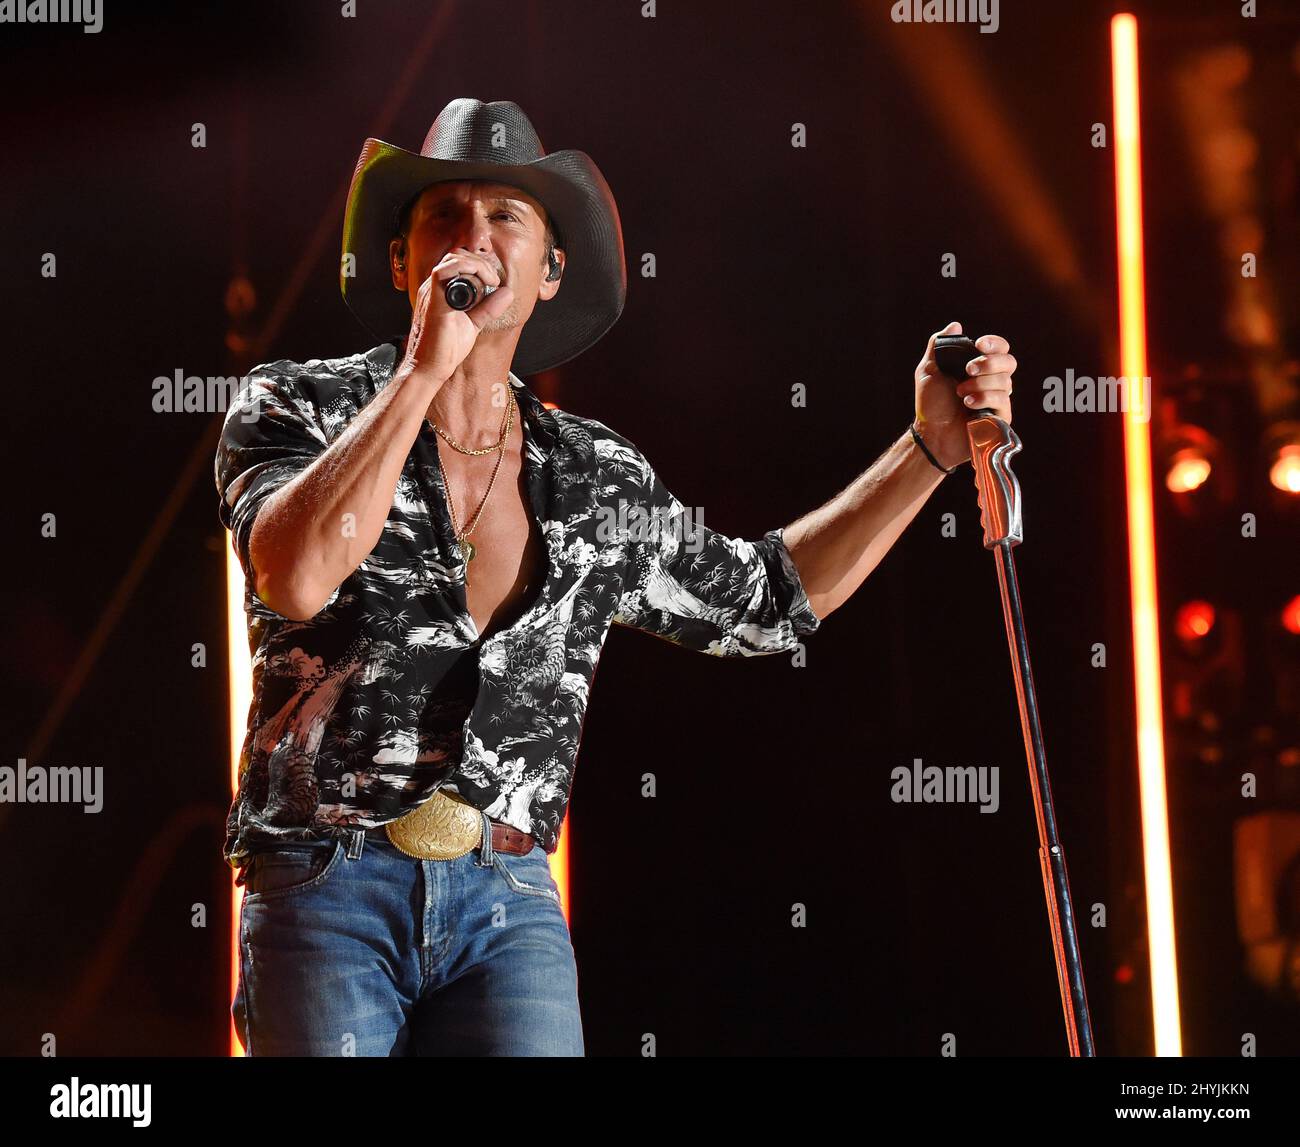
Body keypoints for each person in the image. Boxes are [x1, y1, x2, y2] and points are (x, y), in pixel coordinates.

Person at [218, 98, 1015, 1057]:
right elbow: (295, 574)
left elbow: (765, 602)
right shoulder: (298, 405)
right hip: (327, 880)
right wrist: (423, 373)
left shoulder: (594, 475)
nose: (472, 235)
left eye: (507, 215)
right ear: (402, 262)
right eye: (443, 214)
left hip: (507, 904)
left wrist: (926, 450)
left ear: (551, 271)